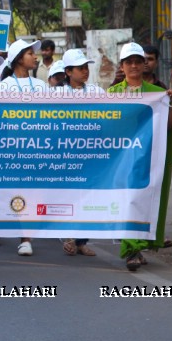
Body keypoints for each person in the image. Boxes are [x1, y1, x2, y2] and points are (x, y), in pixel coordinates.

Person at [110, 42, 172, 270]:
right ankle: (131, 250)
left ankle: (137, 247)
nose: (133, 66)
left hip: (148, 159)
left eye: (137, 61)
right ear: (122, 66)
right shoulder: (112, 94)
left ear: (144, 64)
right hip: (123, 159)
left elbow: (167, 127)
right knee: (129, 199)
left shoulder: (158, 95)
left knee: (144, 200)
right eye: (128, 62)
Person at [0, 39, 44, 256]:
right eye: (30, 54)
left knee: (32, 193)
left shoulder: (42, 86)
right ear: (18, 59)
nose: (35, 57)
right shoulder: (4, 86)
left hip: (38, 149)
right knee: (17, 192)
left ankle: (26, 237)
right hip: (13, 149)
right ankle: (18, 233)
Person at [60, 49, 101, 258]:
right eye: (80, 68)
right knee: (69, 196)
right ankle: (68, 237)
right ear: (68, 71)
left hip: (91, 154)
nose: (85, 71)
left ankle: (82, 241)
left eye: (86, 67)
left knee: (87, 198)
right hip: (66, 154)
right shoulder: (56, 95)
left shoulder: (97, 92)